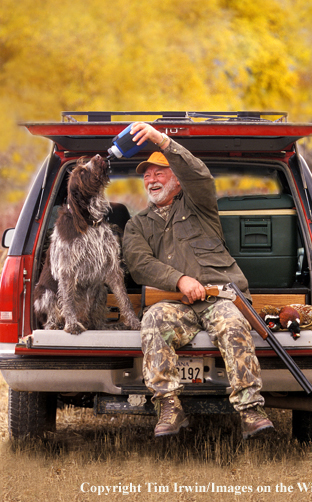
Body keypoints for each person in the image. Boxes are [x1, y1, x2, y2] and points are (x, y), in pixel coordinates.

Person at [123, 122, 274, 439]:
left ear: (176, 179)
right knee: (152, 321)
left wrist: (163, 141)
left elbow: (199, 176)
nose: (151, 179)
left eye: (159, 172)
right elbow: (138, 264)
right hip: (176, 305)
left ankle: (250, 411)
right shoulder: (137, 225)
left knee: (234, 325)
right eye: (147, 175)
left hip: (220, 299)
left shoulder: (199, 204)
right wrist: (178, 280)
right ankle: (169, 409)